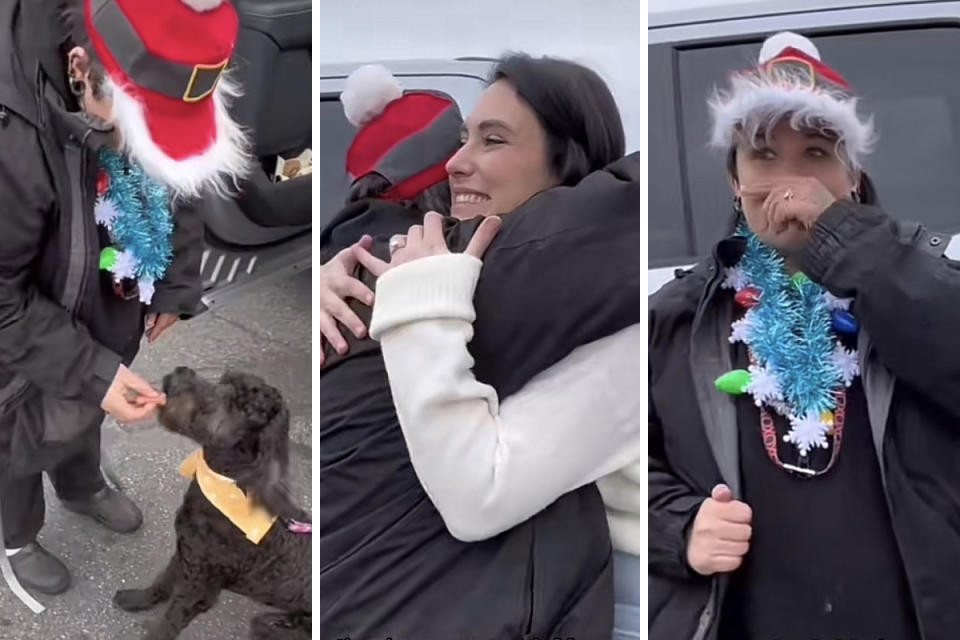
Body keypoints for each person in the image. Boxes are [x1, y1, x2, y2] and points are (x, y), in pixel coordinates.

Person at [649, 32, 960, 639]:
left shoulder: (919, 280)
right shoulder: (678, 320)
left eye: (816, 154)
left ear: (853, 179)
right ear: (735, 182)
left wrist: (840, 238)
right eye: (764, 156)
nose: (791, 182)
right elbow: (629, 466)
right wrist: (681, 528)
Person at [319, 55, 638, 638]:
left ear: (565, 159)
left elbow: (477, 498)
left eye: (492, 141)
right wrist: (331, 285)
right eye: (463, 137)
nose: (456, 163)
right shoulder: (450, 253)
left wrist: (415, 303)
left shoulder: (614, 318)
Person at [0, 0, 248, 602]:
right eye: (133, 133)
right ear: (79, 69)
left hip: (103, 290)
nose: (141, 154)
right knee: (16, 431)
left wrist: (174, 285)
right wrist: (91, 369)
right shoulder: (12, 134)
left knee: (88, 402)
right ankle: (16, 536)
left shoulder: (164, 73)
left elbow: (180, 179)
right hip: (16, 329)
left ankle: (80, 485)